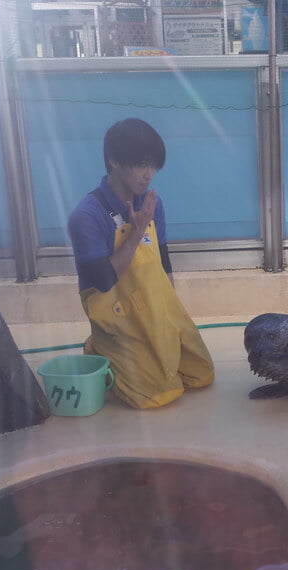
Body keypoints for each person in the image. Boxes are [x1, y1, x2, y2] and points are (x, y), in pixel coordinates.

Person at [67, 118, 214, 408]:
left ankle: (151, 346)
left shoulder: (151, 203)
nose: (149, 175)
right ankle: (100, 347)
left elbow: (162, 257)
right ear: (114, 160)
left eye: (154, 165)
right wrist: (136, 232)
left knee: (201, 376)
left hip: (154, 303)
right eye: (141, 164)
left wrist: (170, 313)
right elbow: (104, 280)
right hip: (116, 313)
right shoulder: (86, 216)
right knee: (155, 395)